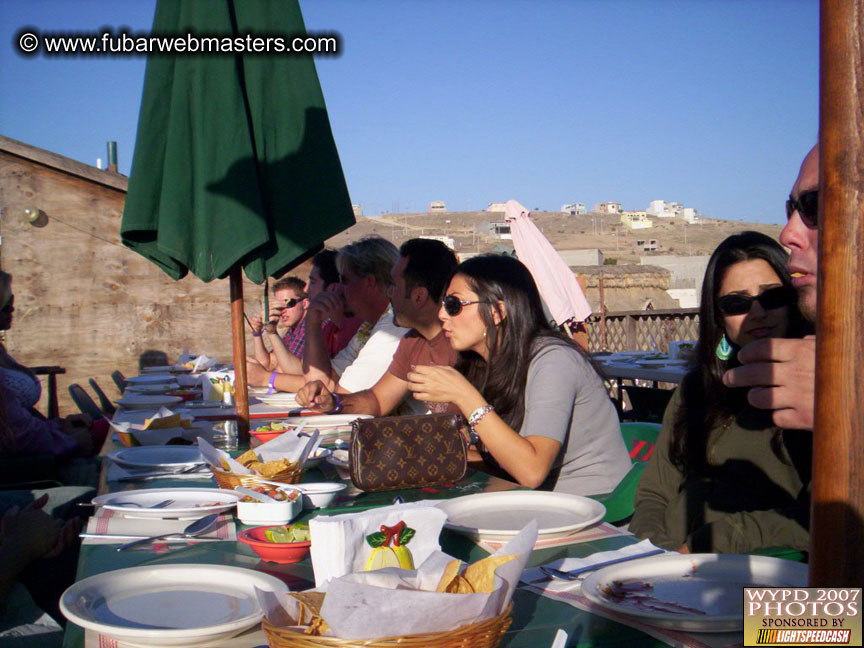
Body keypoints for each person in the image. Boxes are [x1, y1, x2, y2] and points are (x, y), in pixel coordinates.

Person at [631, 232, 812, 553]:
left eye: (772, 297)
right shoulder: (697, 390)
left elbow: (821, 518)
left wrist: (710, 542)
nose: (757, 313)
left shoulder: (817, 395)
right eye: (737, 302)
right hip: (664, 564)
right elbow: (656, 491)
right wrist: (649, 550)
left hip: (755, 576)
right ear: (718, 315)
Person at [406, 254, 630, 496]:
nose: (441, 315)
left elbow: (531, 471)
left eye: (453, 305)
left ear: (496, 312)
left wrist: (465, 396)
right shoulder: (488, 365)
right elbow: (500, 457)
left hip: (596, 508)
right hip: (535, 499)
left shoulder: (554, 360)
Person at [298, 238, 460, 416]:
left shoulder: (461, 344)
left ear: (419, 296)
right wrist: (333, 403)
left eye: (394, 286)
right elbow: (377, 400)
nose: (389, 294)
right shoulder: (413, 340)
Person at [722, 145, 818, 430]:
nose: (787, 233)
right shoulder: (695, 398)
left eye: (815, 205)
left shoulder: (824, 385)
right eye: (736, 303)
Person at [253, 236, 408, 394]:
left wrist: (267, 379)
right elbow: (319, 382)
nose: (338, 288)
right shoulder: (367, 328)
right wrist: (312, 323)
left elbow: (336, 393)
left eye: (345, 281)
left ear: (369, 282)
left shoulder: (391, 329)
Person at [0, 271, 95, 457]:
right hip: (29, 473)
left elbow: (20, 421)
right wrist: (72, 440)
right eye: (5, 306)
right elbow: (18, 439)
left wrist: (60, 425)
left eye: (12, 301)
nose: (12, 309)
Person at [248, 277, 310, 376]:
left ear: (305, 303)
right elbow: (268, 363)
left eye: (289, 303)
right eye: (279, 306)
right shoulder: (293, 330)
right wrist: (257, 334)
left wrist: (272, 332)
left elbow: (298, 374)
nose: (282, 310)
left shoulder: (310, 327)